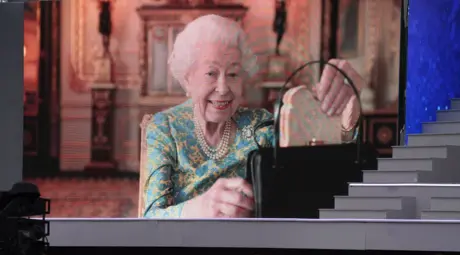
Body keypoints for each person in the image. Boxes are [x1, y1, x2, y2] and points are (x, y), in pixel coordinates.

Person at [143, 14, 364, 219]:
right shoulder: (165, 128)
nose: (223, 88)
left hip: (253, 253)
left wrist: (340, 120)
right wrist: (201, 207)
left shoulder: (260, 126)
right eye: (211, 73)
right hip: (186, 251)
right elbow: (151, 218)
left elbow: (318, 171)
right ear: (187, 78)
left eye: (233, 74)